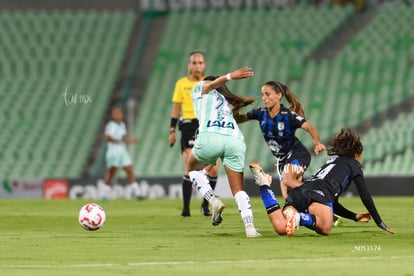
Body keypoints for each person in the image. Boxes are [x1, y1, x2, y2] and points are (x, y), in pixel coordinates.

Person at [251, 128, 396, 236]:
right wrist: (379, 221)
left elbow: (333, 203)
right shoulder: (354, 165)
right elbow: (365, 196)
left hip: (300, 192)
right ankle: (299, 217)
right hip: (318, 195)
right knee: (325, 227)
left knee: (281, 227)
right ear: (357, 154)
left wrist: (354, 217)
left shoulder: (332, 161)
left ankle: (264, 186)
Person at [187, 66, 261, 238]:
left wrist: (230, 76)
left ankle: (213, 200)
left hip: (210, 137)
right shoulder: (227, 102)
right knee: (238, 189)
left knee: (191, 169)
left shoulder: (202, 87)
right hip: (234, 140)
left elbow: (207, 86)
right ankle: (250, 228)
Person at [234, 80, 326, 199]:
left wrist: (317, 143)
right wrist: (236, 107)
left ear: (279, 95)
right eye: (263, 95)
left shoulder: (287, 115)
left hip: (297, 154)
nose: (264, 98)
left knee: (287, 181)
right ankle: (320, 212)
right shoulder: (260, 113)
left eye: (268, 94)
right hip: (282, 160)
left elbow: (309, 127)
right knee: (289, 197)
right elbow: (239, 119)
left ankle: (324, 201)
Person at [169, 51, 219, 217]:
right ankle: (186, 209)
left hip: (206, 125)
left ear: (204, 65)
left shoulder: (209, 83)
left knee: (214, 169)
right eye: (195, 63)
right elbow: (176, 108)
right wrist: (172, 130)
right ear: (189, 65)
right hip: (189, 125)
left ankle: (206, 205)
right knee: (189, 166)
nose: (198, 66)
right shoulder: (181, 84)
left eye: (200, 63)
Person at [103, 107, 142, 200]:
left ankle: (137, 192)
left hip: (122, 151)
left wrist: (132, 141)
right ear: (112, 115)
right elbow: (107, 138)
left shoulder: (122, 125)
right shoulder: (111, 125)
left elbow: (123, 139)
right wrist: (118, 140)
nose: (117, 115)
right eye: (115, 113)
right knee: (111, 172)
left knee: (129, 169)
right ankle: (105, 193)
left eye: (119, 113)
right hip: (113, 152)